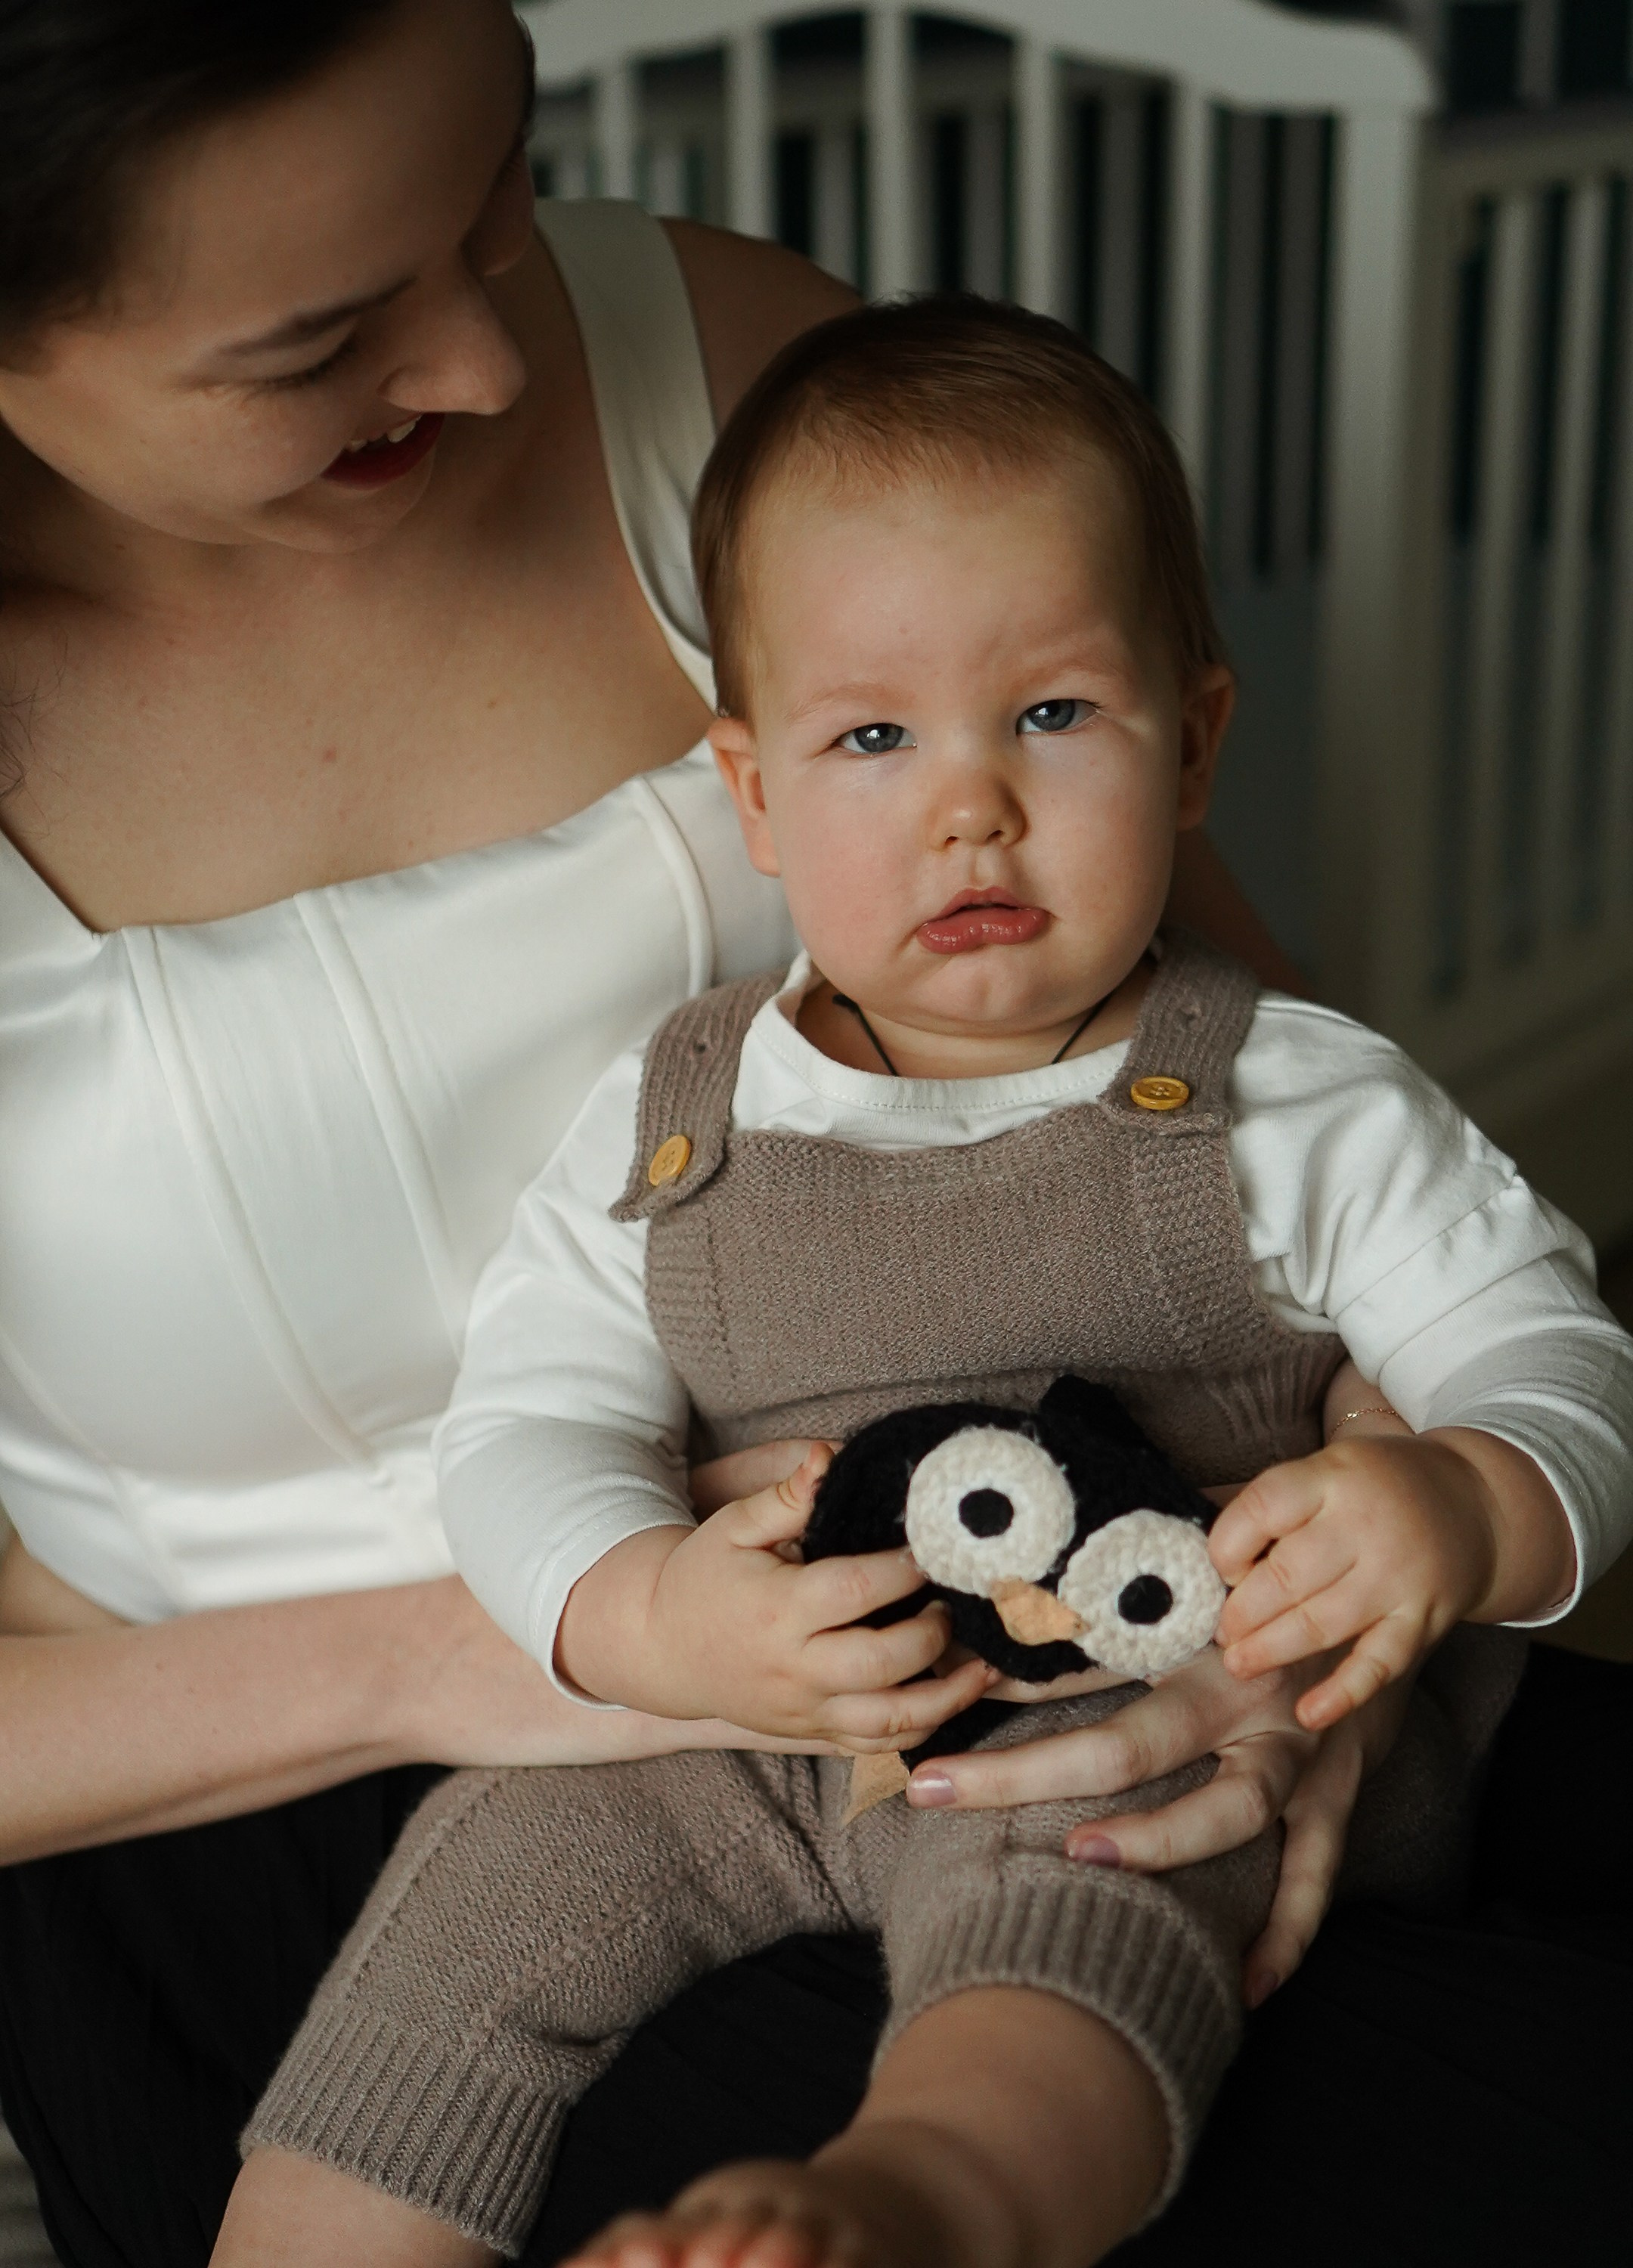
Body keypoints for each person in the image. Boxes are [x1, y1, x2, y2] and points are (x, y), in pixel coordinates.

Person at [0, 0, 1424, 2268]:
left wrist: (1349, 1598)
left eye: (507, 187)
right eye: (316, 345)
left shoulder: (747, 366)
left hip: (1088, 1565)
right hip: (336, 1805)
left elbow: (1254, 1073)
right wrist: (546, 1644)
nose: (480, 354)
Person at [223, 300, 1633, 2268]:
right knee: (484, 1892)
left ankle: (904, 2207)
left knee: (1080, 1912)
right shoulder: (674, 1113)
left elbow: (1545, 1345)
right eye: (874, 737)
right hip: (740, 1710)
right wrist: (640, 1614)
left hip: (1134, 1708)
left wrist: (1465, 1501)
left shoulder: (1282, 1094)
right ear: (758, 800)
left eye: (1052, 715)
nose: (969, 803)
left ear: (1195, 734)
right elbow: (529, 1423)